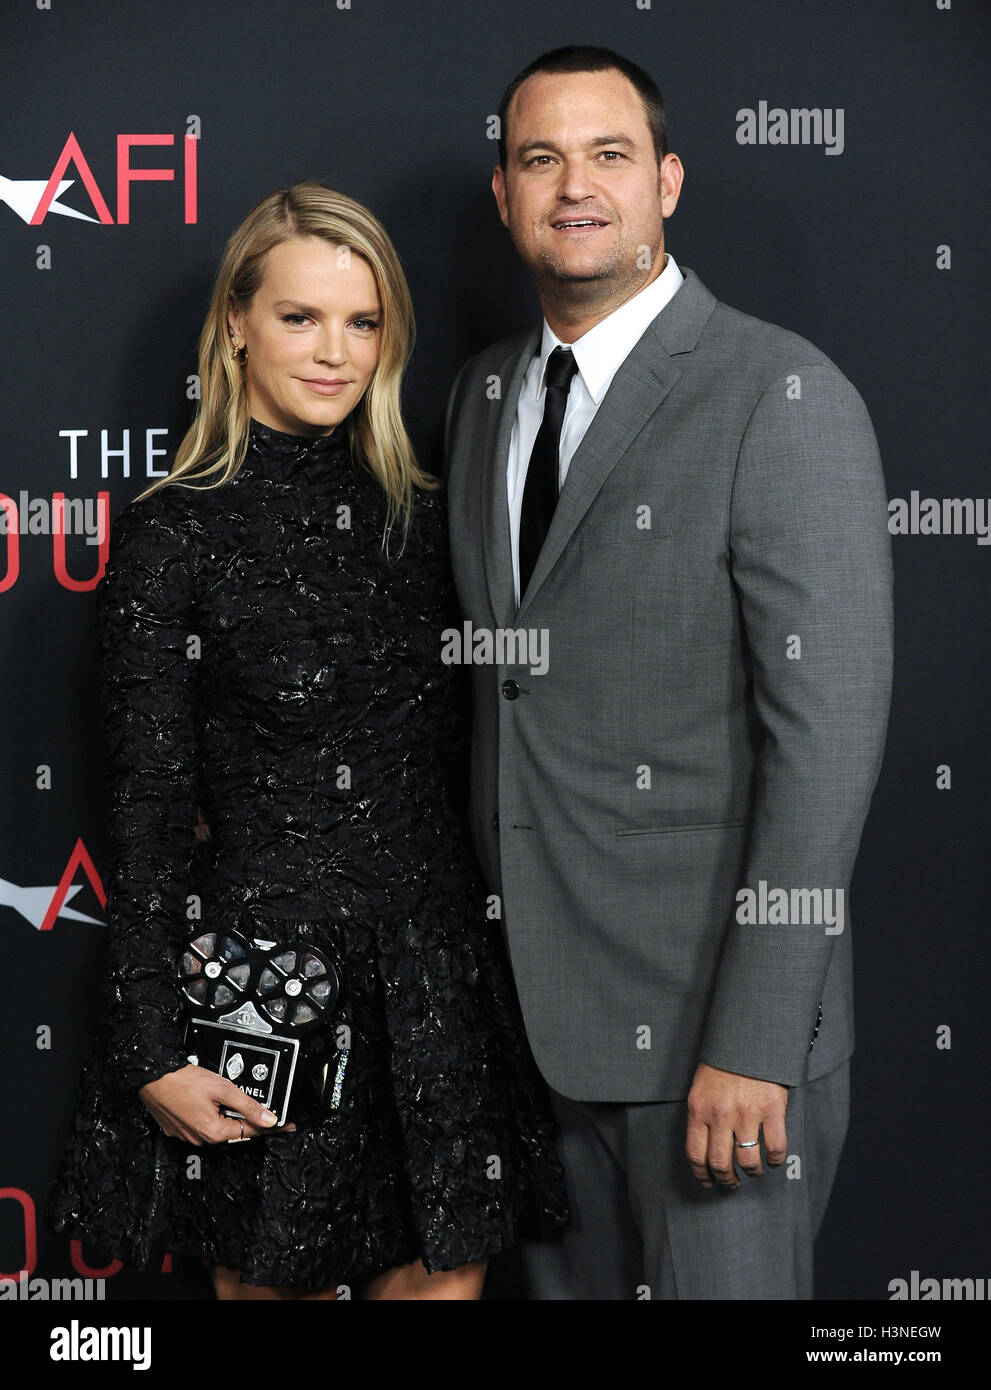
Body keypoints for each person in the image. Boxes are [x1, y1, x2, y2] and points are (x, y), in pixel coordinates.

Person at [47, 180, 568, 1301]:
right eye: (300, 317)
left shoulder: (427, 518)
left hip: (432, 982)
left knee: (442, 1280)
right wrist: (150, 1048)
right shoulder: (171, 537)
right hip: (261, 992)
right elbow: (142, 809)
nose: (335, 352)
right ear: (235, 322)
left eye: (362, 321)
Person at [443, 46, 894, 1299]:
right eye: (540, 158)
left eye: (608, 156)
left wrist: (754, 1041)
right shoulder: (483, 394)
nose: (573, 186)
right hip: (529, 1029)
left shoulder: (777, 392)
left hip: (713, 1042)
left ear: (668, 184)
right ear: (503, 195)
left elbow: (829, 737)